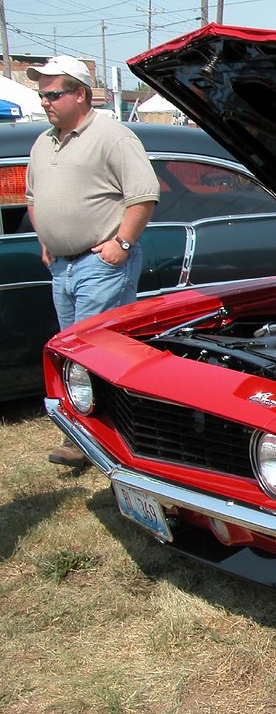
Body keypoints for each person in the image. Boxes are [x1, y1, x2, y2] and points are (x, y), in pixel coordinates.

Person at [25, 55, 160, 470]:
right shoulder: (44, 141)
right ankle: (83, 433)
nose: (45, 101)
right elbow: (33, 196)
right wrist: (46, 239)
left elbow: (143, 194)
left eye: (53, 94)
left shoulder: (112, 136)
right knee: (70, 352)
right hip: (62, 265)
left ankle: (105, 439)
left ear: (81, 94)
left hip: (99, 263)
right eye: (42, 95)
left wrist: (122, 242)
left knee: (96, 354)